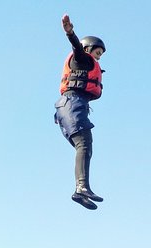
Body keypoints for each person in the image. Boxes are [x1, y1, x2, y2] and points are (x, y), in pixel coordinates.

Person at [54, 14, 106, 210]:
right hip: (72, 104)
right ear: (87, 50)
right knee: (84, 144)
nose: (98, 57)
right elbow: (76, 48)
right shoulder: (82, 58)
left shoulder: (88, 64)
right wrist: (70, 33)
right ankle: (81, 188)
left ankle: (82, 189)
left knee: (86, 146)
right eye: (97, 52)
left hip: (73, 106)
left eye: (100, 54)